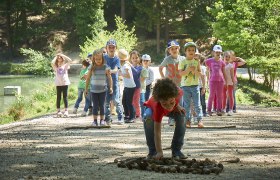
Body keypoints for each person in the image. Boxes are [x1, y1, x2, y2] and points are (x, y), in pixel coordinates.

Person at [143, 78, 186, 160]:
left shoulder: (179, 92)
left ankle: (176, 151)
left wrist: (176, 105)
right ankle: (153, 151)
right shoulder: (158, 107)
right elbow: (157, 132)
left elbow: (173, 102)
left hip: (171, 106)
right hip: (152, 109)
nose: (169, 106)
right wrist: (159, 151)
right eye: (165, 103)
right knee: (147, 116)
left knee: (182, 116)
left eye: (171, 102)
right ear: (160, 101)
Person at [178, 42, 204, 128]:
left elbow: (200, 74)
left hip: (195, 85)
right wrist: (188, 70)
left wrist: (194, 71)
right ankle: (187, 120)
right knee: (187, 104)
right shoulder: (182, 61)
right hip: (185, 86)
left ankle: (199, 120)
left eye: (193, 50)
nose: (191, 52)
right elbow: (180, 73)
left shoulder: (197, 62)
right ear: (185, 51)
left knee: (197, 103)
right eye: (189, 50)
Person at [159, 40, 184, 126]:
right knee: (171, 102)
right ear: (169, 50)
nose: (174, 50)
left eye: (176, 48)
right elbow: (160, 68)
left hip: (180, 83)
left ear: (179, 49)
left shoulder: (182, 59)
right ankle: (171, 119)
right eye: (172, 49)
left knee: (180, 102)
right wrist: (163, 78)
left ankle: (180, 119)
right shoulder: (167, 59)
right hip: (170, 85)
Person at [85, 49, 113, 126]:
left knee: (102, 105)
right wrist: (86, 89)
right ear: (93, 59)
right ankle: (94, 121)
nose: (98, 61)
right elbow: (87, 78)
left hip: (103, 90)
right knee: (95, 105)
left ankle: (102, 120)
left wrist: (111, 87)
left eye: (99, 59)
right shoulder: (91, 67)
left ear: (103, 59)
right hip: (93, 90)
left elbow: (109, 78)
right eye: (96, 59)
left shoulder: (106, 67)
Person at [103, 39, 123, 125]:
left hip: (114, 84)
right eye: (109, 47)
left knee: (116, 101)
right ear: (106, 48)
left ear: (116, 48)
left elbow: (116, 69)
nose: (111, 49)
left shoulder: (117, 58)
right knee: (106, 102)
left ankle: (120, 118)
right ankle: (107, 118)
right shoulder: (103, 57)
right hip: (104, 84)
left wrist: (110, 71)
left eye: (113, 47)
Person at [205, 45, 226, 116]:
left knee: (220, 96)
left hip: (220, 81)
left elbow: (224, 72)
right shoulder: (209, 61)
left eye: (219, 52)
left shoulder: (222, 62)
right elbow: (207, 70)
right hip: (212, 81)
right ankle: (209, 110)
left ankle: (219, 110)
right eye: (216, 52)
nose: (218, 54)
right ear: (213, 52)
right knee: (211, 95)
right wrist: (207, 79)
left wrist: (225, 80)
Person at [51, 53, 72, 117]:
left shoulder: (65, 65)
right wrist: (56, 56)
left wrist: (62, 55)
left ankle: (66, 111)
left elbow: (70, 60)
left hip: (65, 83)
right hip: (58, 83)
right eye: (58, 58)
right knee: (58, 97)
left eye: (60, 58)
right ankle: (58, 111)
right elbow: (52, 62)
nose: (59, 58)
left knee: (65, 97)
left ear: (62, 59)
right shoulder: (55, 66)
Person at [118, 49, 136, 123]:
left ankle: (132, 116)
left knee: (128, 102)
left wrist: (121, 74)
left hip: (130, 86)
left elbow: (128, 75)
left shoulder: (126, 65)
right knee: (124, 101)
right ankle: (127, 115)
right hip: (127, 86)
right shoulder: (123, 64)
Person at [130, 50, 142, 119]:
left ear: (139, 58)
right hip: (130, 87)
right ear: (130, 59)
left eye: (136, 57)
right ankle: (131, 113)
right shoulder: (129, 66)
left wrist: (130, 66)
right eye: (133, 58)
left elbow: (136, 73)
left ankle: (138, 114)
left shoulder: (140, 67)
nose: (135, 59)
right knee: (130, 101)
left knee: (136, 101)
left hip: (137, 87)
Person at [223, 51, 235, 116]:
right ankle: (223, 109)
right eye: (226, 56)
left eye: (228, 57)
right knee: (223, 96)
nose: (227, 58)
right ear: (223, 56)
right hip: (223, 83)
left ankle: (231, 109)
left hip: (230, 83)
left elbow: (232, 75)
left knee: (230, 96)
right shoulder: (222, 64)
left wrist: (233, 83)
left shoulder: (231, 66)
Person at [139, 54, 150, 119]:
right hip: (138, 88)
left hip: (144, 87)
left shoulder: (147, 70)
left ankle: (144, 115)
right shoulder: (139, 68)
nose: (145, 62)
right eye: (144, 60)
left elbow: (148, 79)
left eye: (147, 60)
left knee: (144, 102)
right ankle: (139, 114)